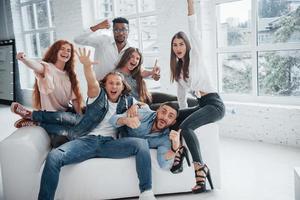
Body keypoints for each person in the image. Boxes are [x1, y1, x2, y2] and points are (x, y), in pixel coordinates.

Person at [27, 48, 156, 200]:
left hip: (110, 144)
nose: (114, 86)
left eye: (117, 84)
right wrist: (87, 67)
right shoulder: (97, 96)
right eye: (111, 83)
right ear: (105, 85)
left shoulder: (127, 101)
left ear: (122, 87)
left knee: (141, 144)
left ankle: (146, 192)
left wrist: (137, 105)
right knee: (54, 157)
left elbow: (146, 107)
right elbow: (92, 83)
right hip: (87, 141)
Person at [168, 0, 225, 194]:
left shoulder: (196, 56)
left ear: (187, 45)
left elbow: (194, 27)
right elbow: (181, 97)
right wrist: (179, 115)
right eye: (175, 45)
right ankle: (181, 151)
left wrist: (190, 5)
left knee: (187, 127)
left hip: (214, 104)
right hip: (202, 105)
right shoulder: (178, 70)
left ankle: (200, 169)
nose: (178, 47)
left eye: (181, 43)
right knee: (176, 118)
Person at [74, 17, 160, 81]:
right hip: (100, 86)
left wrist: (152, 74)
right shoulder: (103, 40)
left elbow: (139, 70)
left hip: (119, 89)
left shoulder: (131, 49)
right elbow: (78, 39)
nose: (121, 33)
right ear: (113, 31)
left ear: (128, 31)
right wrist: (97, 27)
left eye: (124, 30)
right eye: (116, 30)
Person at [15, 40, 83, 115]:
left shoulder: (70, 75)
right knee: (63, 117)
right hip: (52, 114)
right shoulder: (48, 68)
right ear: (55, 51)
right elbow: (37, 66)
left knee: (83, 111)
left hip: (65, 112)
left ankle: (37, 118)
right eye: (62, 49)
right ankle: (32, 116)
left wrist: (81, 117)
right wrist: (24, 59)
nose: (66, 52)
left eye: (68, 50)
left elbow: (74, 100)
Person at [110, 102, 182, 169]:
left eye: (170, 116)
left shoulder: (165, 139)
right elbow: (112, 119)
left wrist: (174, 149)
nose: (165, 117)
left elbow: (163, 164)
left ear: (173, 122)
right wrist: (125, 120)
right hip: (118, 141)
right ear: (157, 111)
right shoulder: (142, 114)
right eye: (163, 112)